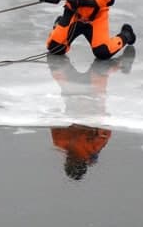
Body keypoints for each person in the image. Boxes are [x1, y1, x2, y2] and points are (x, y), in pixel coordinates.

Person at [47, 48, 135, 180]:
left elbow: (105, 131)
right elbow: (104, 130)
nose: (69, 161)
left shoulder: (66, 144)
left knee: (99, 71)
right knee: (97, 71)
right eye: (71, 163)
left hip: (81, 101)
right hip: (83, 100)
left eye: (69, 164)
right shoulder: (69, 144)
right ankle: (121, 60)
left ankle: (121, 61)